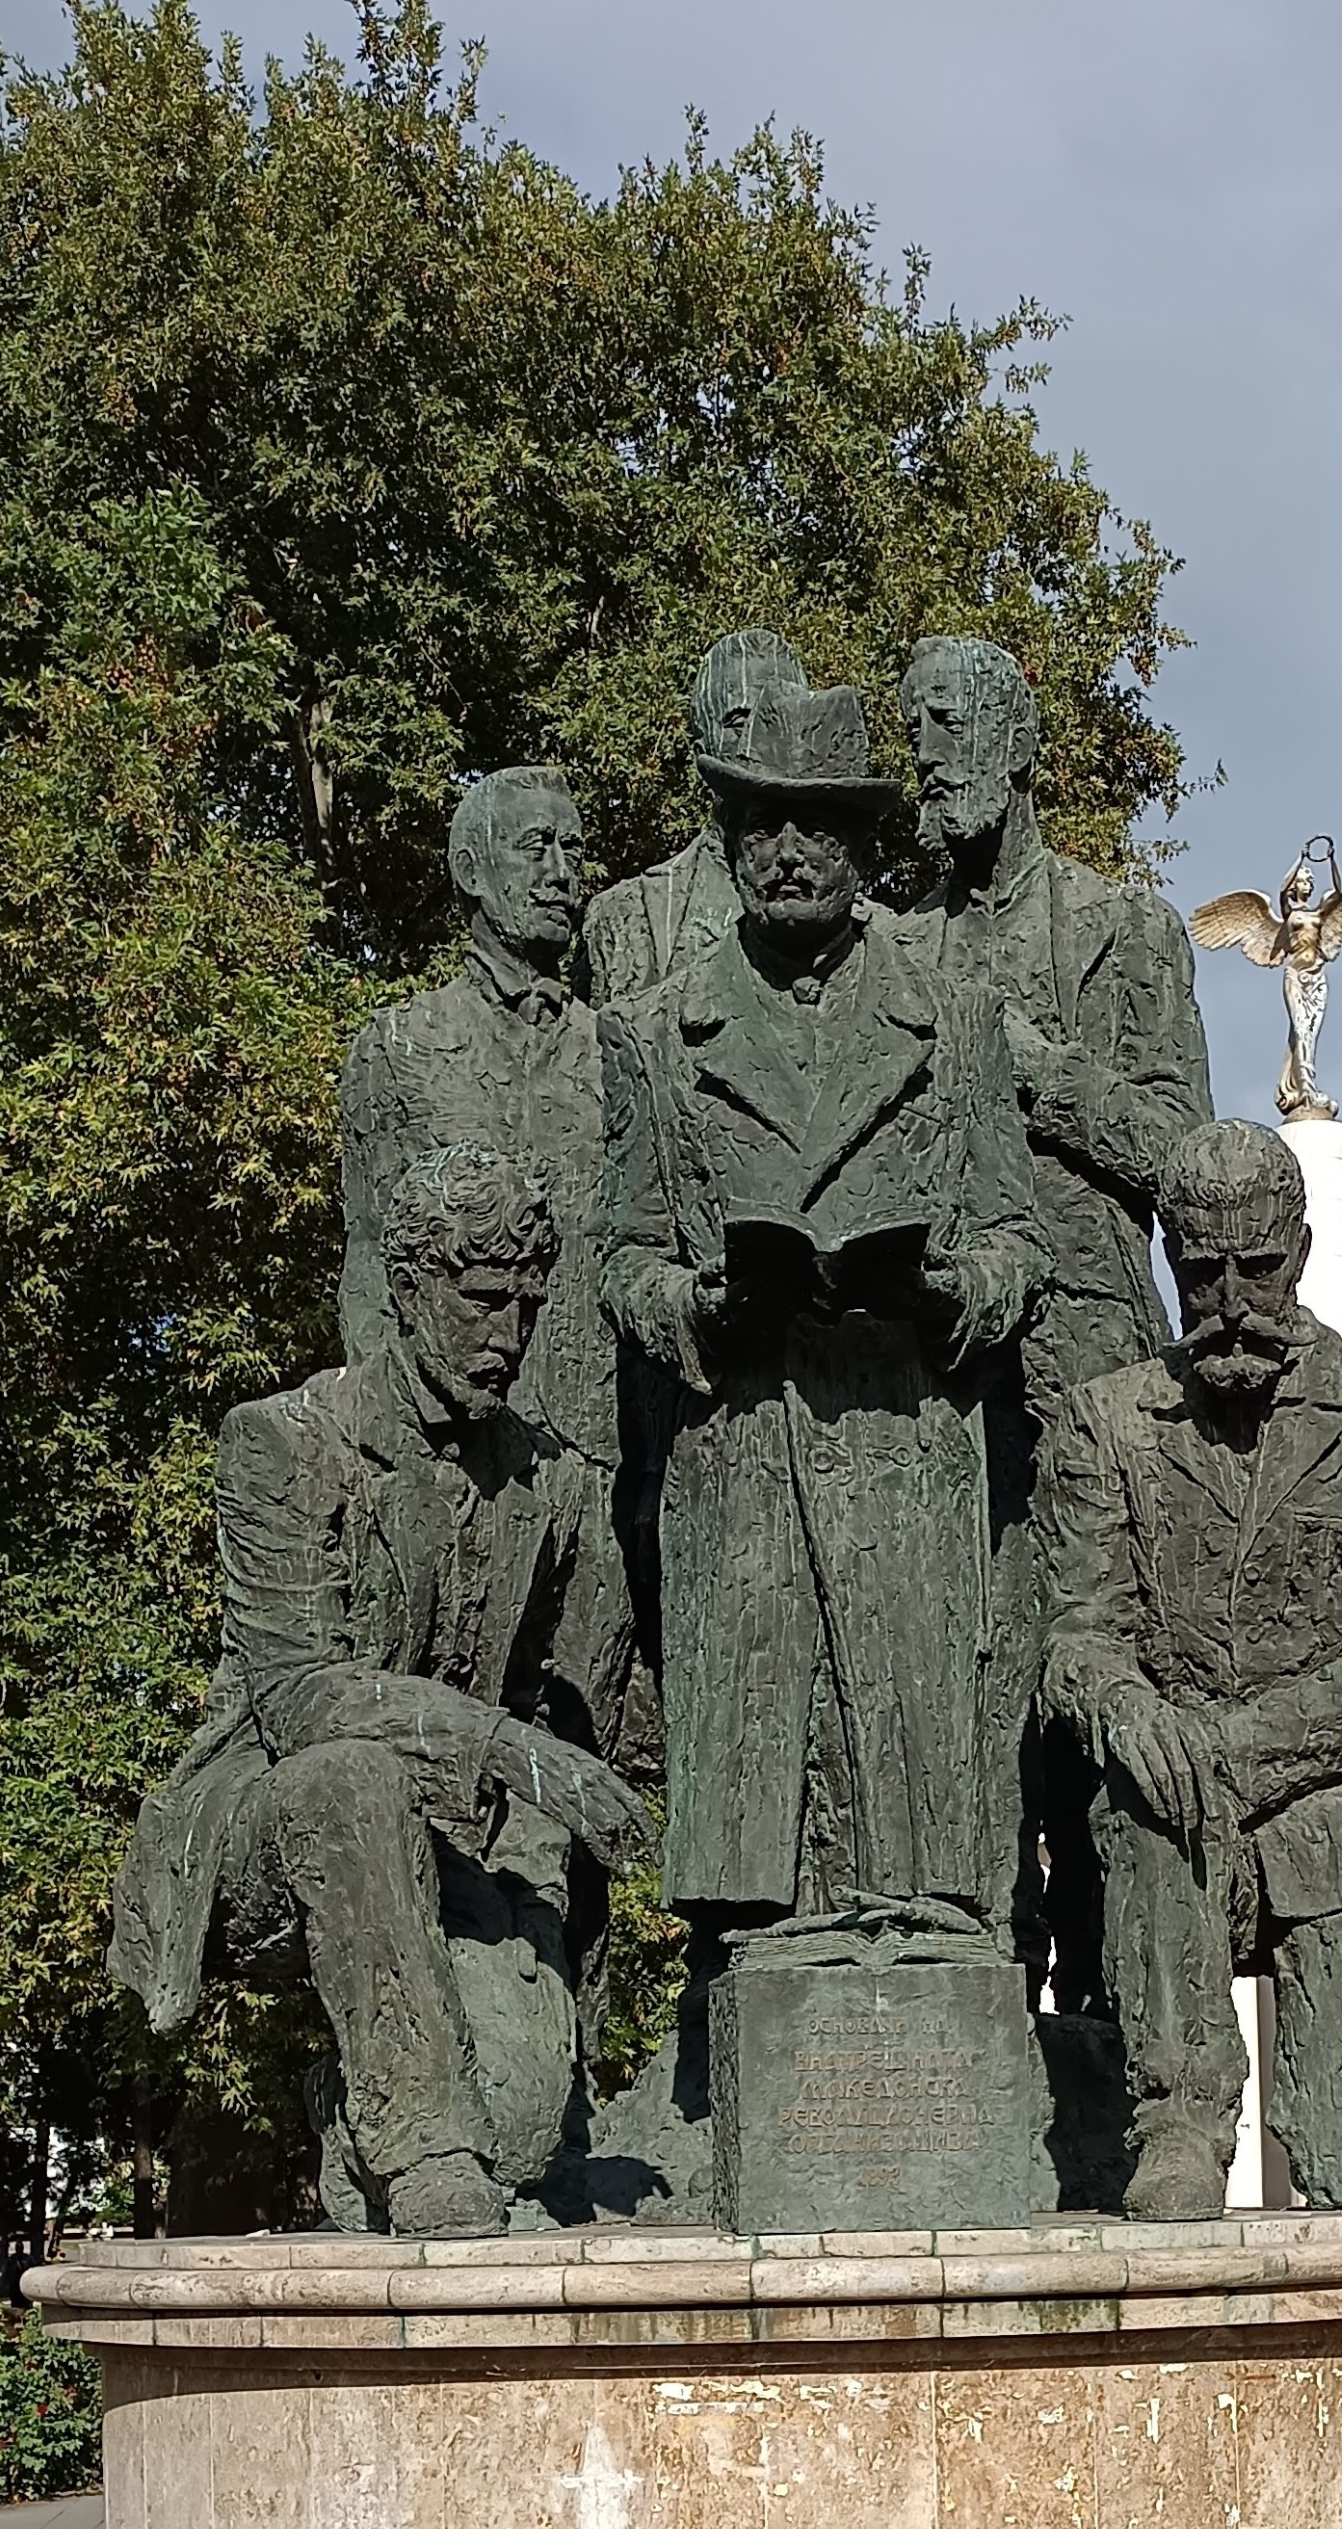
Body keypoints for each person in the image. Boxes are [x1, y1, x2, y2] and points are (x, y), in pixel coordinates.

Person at [599, 680, 1046, 2101]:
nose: (786, 847)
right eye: (757, 820)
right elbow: (618, 1252)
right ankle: (745, 2055)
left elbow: (1015, 1234)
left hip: (909, 1437)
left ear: (865, 847)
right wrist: (699, 1301)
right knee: (762, 1835)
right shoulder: (661, 1030)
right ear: (728, 837)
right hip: (742, 1443)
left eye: (818, 823)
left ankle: (916, 1999)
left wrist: (954, 1293)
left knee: (911, 1811)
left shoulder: (952, 1009)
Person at [110, 1150, 652, 2238]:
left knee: (528, 2131)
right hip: (273, 1823)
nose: (508, 1334)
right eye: (481, 1301)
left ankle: (371, 2115)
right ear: (408, 1289)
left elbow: (587, 1716)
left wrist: (553, 1830)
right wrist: (506, 1746)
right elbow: (300, 1691)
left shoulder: (553, 1483)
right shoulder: (282, 1440)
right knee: (351, 1778)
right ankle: (421, 2152)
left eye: (529, 1306)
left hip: (454, 1847)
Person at [1039, 1119, 1342, 2216]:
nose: (1229, 1298)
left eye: (1257, 1267)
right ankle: (1175, 2111)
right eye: (1200, 1271)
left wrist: (1225, 1748)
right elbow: (1078, 1630)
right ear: (1168, 1263)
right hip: (1172, 1826)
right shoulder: (1107, 1421)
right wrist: (1122, 1703)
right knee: (1143, 1790)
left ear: (1302, 1249)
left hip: (1337, 1810)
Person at [898, 634, 1213, 1995]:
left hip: (1090, 1365)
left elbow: (1190, 1164)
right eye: (915, 729)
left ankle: (1106, 2017)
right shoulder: (889, 947)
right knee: (958, 1700)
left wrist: (1037, 1074)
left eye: (953, 725)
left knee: (1090, 1700)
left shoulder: (1121, 931)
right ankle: (969, 1990)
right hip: (931, 1376)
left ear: (1020, 744)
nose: (928, 755)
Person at [340, 767, 633, 1760]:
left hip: (588, 1455)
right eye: (534, 848)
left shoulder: (618, 1055)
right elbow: (367, 1261)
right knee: (429, 1735)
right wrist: (381, 1454)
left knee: (576, 1733)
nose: (562, 873)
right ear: (471, 868)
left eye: (572, 849)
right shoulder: (397, 1047)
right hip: (444, 1461)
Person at [584, 630, 811, 1006]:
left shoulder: (864, 928)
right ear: (702, 750)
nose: (757, 737)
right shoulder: (629, 916)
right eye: (739, 721)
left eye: (775, 716)